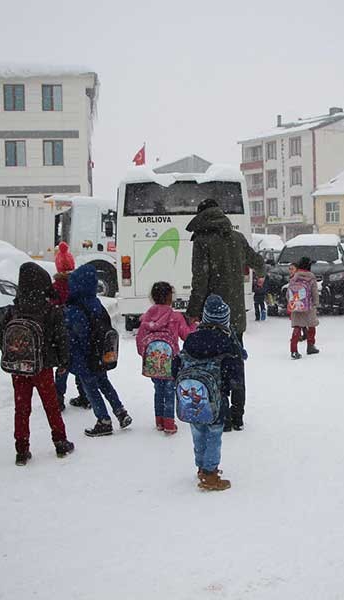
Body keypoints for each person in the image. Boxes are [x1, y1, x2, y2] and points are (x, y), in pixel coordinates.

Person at [185, 198, 264, 430]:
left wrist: (192, 311)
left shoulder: (202, 241)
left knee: (214, 364)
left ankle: (222, 414)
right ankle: (237, 415)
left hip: (213, 316)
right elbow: (257, 261)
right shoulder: (237, 238)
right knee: (235, 362)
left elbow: (200, 279)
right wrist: (261, 273)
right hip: (235, 315)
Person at [0, 263, 74, 465]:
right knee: (51, 405)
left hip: (20, 367)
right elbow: (61, 337)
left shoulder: (15, 310)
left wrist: (14, 352)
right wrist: (63, 361)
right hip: (42, 366)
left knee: (21, 408)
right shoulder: (50, 310)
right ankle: (60, 442)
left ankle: (21, 450)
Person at [172, 295, 243, 491]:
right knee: (214, 433)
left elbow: (177, 363)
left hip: (191, 396)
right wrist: (231, 388)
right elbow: (234, 373)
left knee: (198, 432)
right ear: (224, 321)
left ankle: (202, 467)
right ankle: (210, 474)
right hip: (216, 398)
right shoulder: (226, 342)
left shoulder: (192, 338)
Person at [66, 264, 132, 437]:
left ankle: (104, 421)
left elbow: (76, 336)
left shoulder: (75, 308)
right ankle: (121, 412)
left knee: (91, 388)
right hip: (100, 354)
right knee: (104, 383)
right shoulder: (96, 303)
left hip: (84, 356)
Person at [136, 281, 195, 434]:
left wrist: (146, 355)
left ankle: (159, 421)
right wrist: (194, 325)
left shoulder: (147, 318)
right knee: (169, 391)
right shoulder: (175, 316)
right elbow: (186, 336)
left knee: (158, 390)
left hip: (153, 361)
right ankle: (169, 423)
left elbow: (140, 340)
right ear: (170, 297)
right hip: (171, 361)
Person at [50, 242, 89, 412]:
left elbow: (51, 308)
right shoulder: (79, 285)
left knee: (62, 366)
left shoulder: (55, 287)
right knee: (81, 365)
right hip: (79, 332)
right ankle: (85, 395)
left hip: (61, 333)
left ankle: (58, 399)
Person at [287, 257, 320, 359]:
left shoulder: (294, 277)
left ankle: (294, 350)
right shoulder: (311, 278)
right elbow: (314, 293)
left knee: (297, 327)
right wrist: (315, 303)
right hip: (308, 306)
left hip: (296, 305)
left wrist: (292, 303)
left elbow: (288, 293)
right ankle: (310, 346)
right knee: (311, 326)